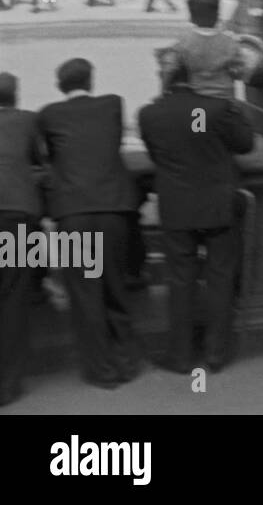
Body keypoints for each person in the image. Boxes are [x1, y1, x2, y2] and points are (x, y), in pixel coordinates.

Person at [138, 58, 255, 374]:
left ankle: (180, 355)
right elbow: (246, 144)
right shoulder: (217, 109)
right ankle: (216, 353)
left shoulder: (149, 115)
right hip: (218, 204)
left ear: (164, 81)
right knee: (220, 278)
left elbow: (154, 155)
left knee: (181, 281)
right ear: (191, 79)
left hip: (177, 207)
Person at [36, 58, 141, 389]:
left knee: (86, 297)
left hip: (73, 215)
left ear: (59, 85)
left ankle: (102, 371)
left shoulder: (48, 114)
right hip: (113, 209)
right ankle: (127, 361)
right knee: (115, 289)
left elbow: (49, 156)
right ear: (91, 80)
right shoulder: (112, 104)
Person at [0, 73, 45, 406]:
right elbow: (40, 159)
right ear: (15, 95)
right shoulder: (28, 121)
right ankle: (8, 385)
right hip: (18, 216)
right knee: (15, 299)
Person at [163, 0, 246, 101]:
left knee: (197, 118)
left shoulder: (183, 42)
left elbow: (169, 69)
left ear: (192, 18)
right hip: (225, 100)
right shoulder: (230, 43)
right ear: (217, 16)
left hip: (195, 99)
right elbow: (239, 73)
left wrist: (163, 92)